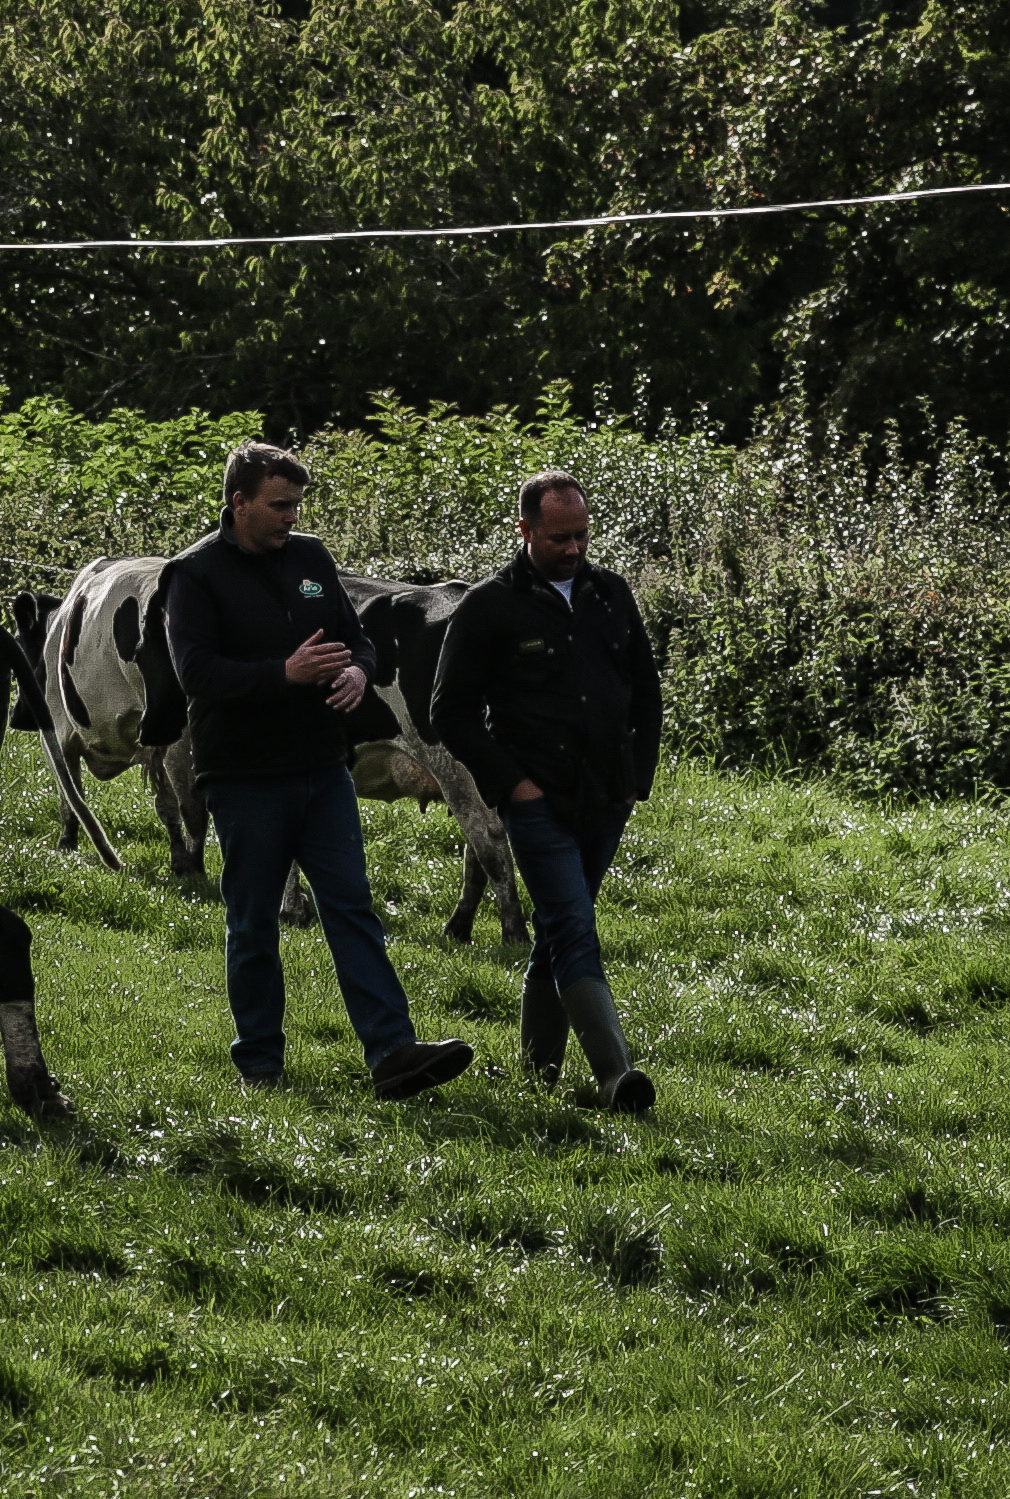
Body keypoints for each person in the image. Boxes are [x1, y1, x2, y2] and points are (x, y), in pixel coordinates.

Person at [158, 444, 475, 1100]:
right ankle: (260, 1066)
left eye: (296, 505)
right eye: (278, 505)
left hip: (323, 767)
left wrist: (359, 668)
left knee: (351, 908)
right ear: (238, 502)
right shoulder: (194, 575)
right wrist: (285, 674)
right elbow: (196, 673)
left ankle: (392, 1052)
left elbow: (354, 636)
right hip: (244, 776)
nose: (289, 517)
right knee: (252, 922)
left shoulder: (310, 557)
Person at [433, 467, 660, 1109]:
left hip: (607, 795)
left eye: (583, 535)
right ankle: (617, 1075)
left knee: (560, 932)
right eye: (560, 537)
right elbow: (448, 710)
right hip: (537, 800)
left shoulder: (612, 595)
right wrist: (512, 785)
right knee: (572, 925)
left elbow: (645, 690)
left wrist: (635, 780)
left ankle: (540, 1076)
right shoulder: (488, 607)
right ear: (525, 529)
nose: (575, 549)